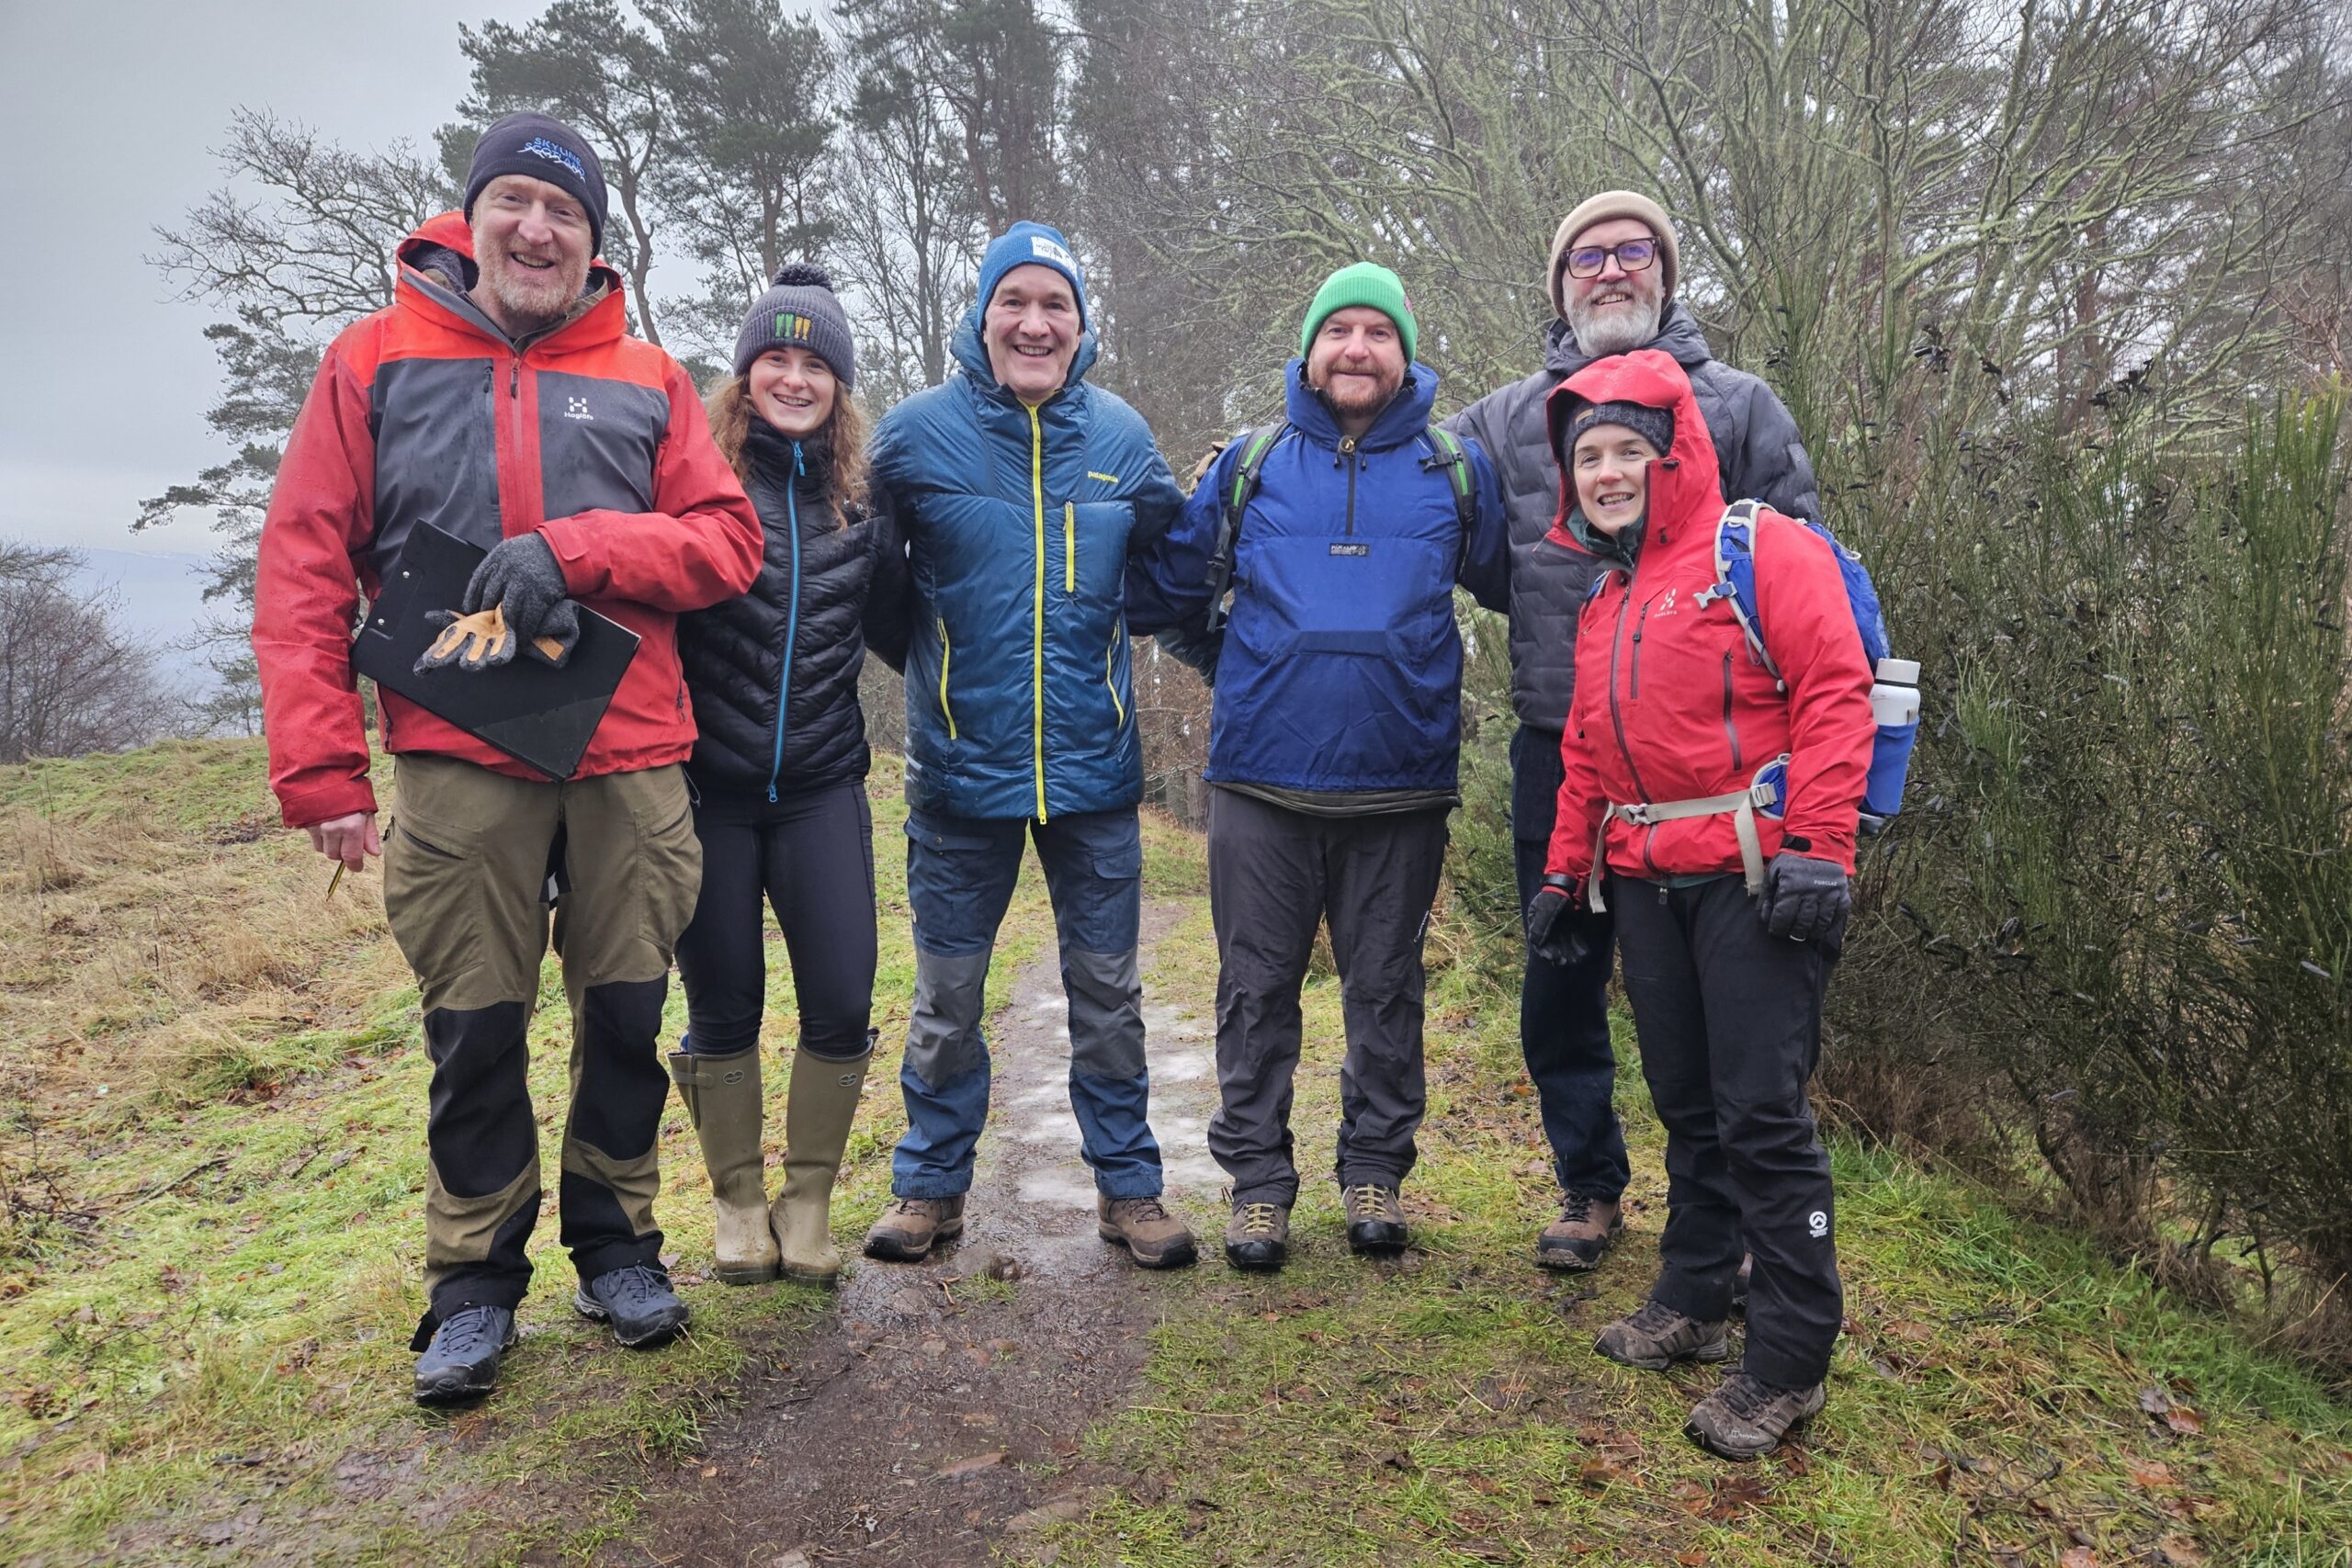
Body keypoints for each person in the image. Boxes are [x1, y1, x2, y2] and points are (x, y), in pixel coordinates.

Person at [253, 112, 763, 1404]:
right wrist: (322, 771)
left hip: (632, 751)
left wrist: (583, 547)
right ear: (473, 218)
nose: (539, 230)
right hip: (454, 750)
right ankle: (474, 1284)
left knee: (629, 1016)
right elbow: (307, 560)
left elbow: (725, 541)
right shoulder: (371, 359)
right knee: (473, 1023)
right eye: (518, 203)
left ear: (597, 242)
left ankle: (617, 1243)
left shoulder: (648, 376)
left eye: (566, 213)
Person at [1445, 190, 1823, 1278]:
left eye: (1633, 253)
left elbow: (1800, 584)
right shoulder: (1502, 420)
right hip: (1560, 746)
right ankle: (1589, 1184)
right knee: (1560, 977)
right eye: (1586, 259)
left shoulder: (1742, 407)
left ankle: (1743, 1214)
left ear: (1664, 272)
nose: (1610, 272)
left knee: (1723, 1001)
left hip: (1723, 771)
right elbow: (1472, 556)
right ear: (1558, 287)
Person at [1521, 347, 1871, 1460]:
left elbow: (1833, 686)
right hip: (1640, 880)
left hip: (1755, 878)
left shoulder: (1761, 548)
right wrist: (1561, 878)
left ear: (1675, 456)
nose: (1609, 472)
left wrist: (1820, 845)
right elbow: (1584, 753)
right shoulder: (1606, 597)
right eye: (1589, 457)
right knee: (1683, 1101)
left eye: (1629, 450)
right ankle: (1696, 1294)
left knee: (1760, 1113)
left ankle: (1789, 1357)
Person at [1128, 264, 1508, 1269]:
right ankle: (1257, 1185)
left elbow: (1528, 585)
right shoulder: (1248, 467)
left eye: (1376, 332)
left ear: (1404, 354)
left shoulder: (1454, 473)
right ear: (1307, 350)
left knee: (1384, 988)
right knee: (1256, 989)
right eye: (1337, 329)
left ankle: (1374, 1169)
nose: (1355, 348)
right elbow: (1169, 595)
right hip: (1260, 781)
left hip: (1402, 783)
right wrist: (1246, 670)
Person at [859, 220, 1197, 1269]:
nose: (1035, 322)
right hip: (960, 777)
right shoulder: (913, 438)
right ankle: (928, 1189)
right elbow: (877, 595)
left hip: (1094, 777)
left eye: (1056, 305)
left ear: (1081, 326)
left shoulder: (1125, 440)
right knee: (947, 1003)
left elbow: (1171, 572)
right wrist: (942, 683)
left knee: (1107, 997)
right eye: (1017, 302)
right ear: (983, 316)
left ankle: (1130, 1192)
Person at [667, 264, 908, 1289]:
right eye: (776, 358)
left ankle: (806, 1202)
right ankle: (736, 1205)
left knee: (842, 1001)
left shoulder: (867, 499)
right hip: (707, 794)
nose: (795, 378)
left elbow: (907, 623)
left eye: (816, 364)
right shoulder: (698, 481)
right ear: (744, 374)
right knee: (722, 1007)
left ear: (840, 386)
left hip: (820, 787)